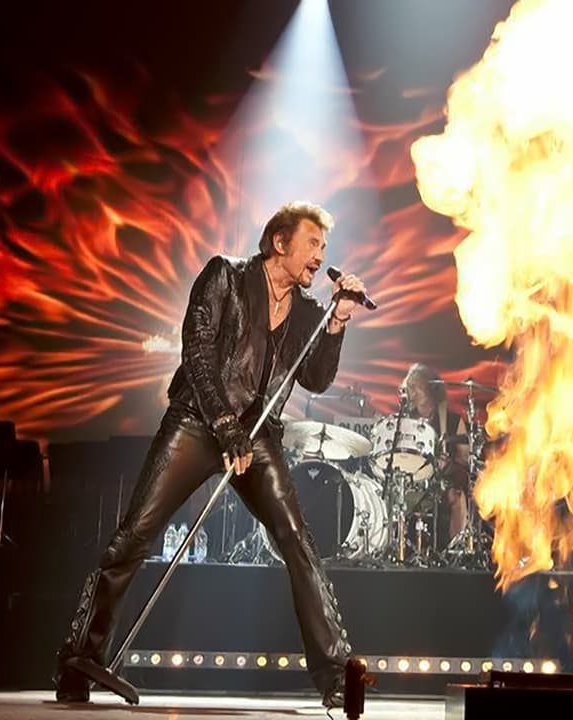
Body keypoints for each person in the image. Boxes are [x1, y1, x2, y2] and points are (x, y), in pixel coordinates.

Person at [54, 201, 368, 708]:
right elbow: (196, 351)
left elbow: (316, 378)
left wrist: (338, 323)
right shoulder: (224, 277)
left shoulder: (311, 310)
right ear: (279, 243)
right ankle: (78, 659)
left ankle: (335, 674)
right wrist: (224, 426)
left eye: (325, 248)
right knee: (135, 533)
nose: (321, 256)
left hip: (258, 434)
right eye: (313, 243)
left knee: (297, 539)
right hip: (199, 421)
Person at [399, 363, 473, 549]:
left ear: (431, 389)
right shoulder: (405, 419)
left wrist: (449, 462)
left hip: (442, 480)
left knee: (456, 497)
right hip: (413, 479)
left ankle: (455, 549)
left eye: (417, 387)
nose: (412, 392)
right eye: (410, 387)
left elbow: (465, 458)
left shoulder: (453, 420)